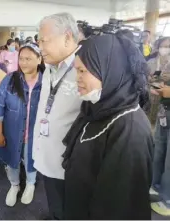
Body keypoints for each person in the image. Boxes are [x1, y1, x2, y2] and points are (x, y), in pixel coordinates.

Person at [62, 33, 153, 220]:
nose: (76, 78)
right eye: (76, 71)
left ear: (109, 69)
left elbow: (121, 207)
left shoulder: (130, 130)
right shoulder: (97, 108)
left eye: (82, 71)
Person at [34, 13, 82, 220]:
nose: (40, 48)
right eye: (39, 42)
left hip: (70, 162)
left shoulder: (86, 67)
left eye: (45, 41)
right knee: (54, 205)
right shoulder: (49, 68)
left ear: (67, 37)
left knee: (71, 211)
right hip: (47, 153)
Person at [0, 43, 44, 207]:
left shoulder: (47, 80)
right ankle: (14, 185)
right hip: (13, 131)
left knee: (31, 159)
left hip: (35, 132)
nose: (24, 63)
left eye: (28, 59)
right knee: (12, 159)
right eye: (21, 58)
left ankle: (30, 184)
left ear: (39, 59)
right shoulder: (10, 79)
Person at [149, 39, 170, 216]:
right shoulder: (167, 62)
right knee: (160, 151)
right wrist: (161, 88)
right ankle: (155, 185)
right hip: (165, 110)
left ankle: (167, 199)